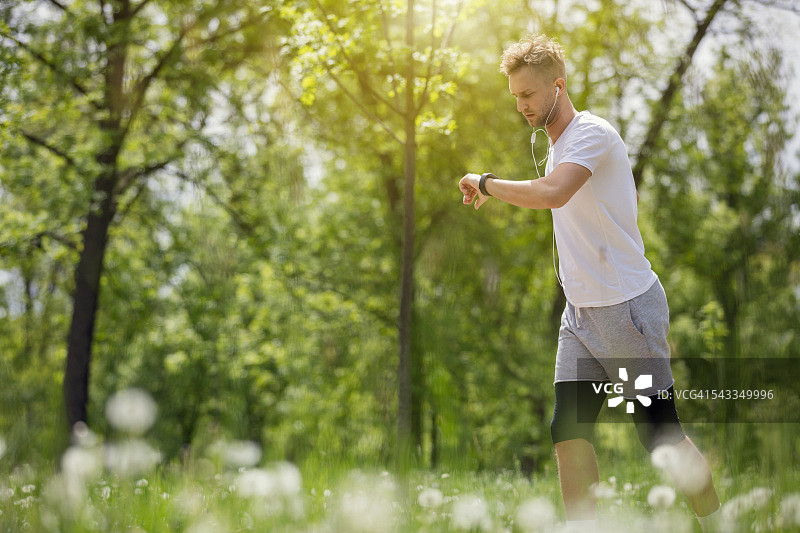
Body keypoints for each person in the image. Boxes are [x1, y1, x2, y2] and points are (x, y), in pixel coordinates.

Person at [458, 34, 722, 531]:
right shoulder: (558, 146)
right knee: (569, 430)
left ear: (558, 85)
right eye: (515, 96)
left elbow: (553, 194)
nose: (521, 105)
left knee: (660, 436)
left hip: (625, 311)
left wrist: (487, 182)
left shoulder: (590, 134)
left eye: (529, 94)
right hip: (579, 316)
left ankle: (718, 522)